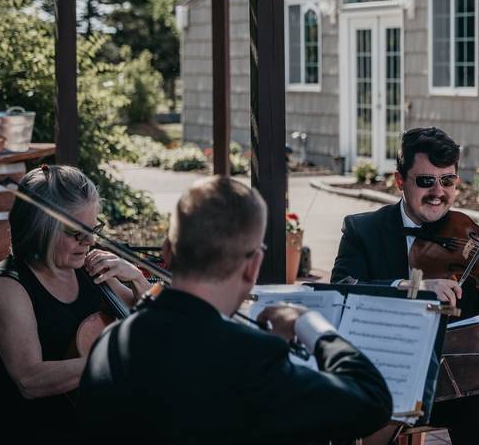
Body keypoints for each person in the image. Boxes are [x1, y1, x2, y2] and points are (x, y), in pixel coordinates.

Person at [79, 175, 392, 444]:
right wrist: (308, 323)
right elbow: (371, 399)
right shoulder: (252, 358)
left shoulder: (108, 343)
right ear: (253, 266)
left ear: (167, 252)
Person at [332, 127, 479, 444]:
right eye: (425, 180)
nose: (438, 191)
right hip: (387, 376)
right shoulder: (363, 230)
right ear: (400, 181)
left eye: (447, 180)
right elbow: (343, 288)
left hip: (453, 383)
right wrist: (410, 287)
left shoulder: (470, 234)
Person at [0, 164, 151, 444]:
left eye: (93, 229)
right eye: (76, 232)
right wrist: (109, 362)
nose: (90, 241)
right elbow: (29, 380)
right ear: (40, 227)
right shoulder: (7, 287)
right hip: (30, 433)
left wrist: (137, 279)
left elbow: (147, 322)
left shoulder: (90, 269)